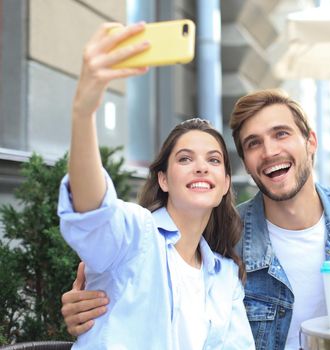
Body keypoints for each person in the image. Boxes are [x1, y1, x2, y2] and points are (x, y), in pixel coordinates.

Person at [61, 89, 330, 349]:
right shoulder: (226, 238)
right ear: (246, 165)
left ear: (310, 142)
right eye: (253, 144)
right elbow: (106, 226)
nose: (269, 151)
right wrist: (95, 298)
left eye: (281, 134)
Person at [58, 22, 254, 349]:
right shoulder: (137, 235)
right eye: (185, 159)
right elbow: (93, 211)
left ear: (224, 186)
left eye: (214, 160)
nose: (202, 167)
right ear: (163, 179)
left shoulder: (225, 275)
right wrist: (84, 111)